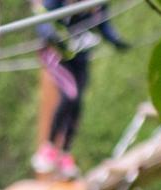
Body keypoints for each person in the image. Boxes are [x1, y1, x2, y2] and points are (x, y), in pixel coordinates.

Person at [32, 0, 128, 177]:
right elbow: (42, 19)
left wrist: (117, 41)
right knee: (71, 95)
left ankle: (65, 154)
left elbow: (104, 25)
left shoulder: (97, 5)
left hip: (80, 56)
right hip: (56, 56)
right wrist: (51, 35)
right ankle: (49, 148)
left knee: (78, 104)